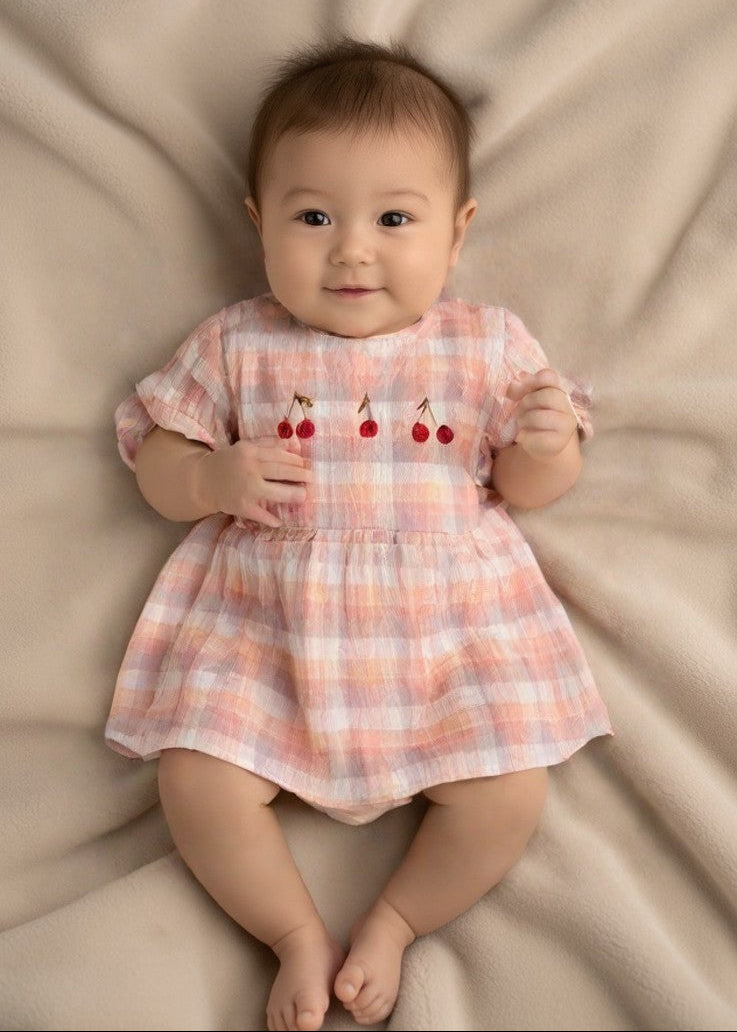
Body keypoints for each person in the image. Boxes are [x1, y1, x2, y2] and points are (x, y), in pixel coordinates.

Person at [106, 38, 612, 1032]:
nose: (351, 249)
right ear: (259, 225)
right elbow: (155, 462)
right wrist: (206, 476)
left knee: (508, 790)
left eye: (392, 218)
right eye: (311, 217)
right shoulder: (236, 342)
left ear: (455, 231)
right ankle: (293, 932)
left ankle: (392, 921)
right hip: (267, 629)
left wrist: (548, 449)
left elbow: (526, 485)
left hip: (448, 631)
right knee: (194, 778)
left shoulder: (486, 343)